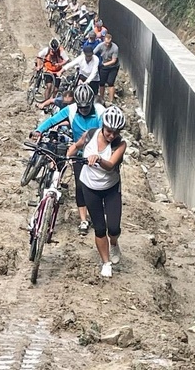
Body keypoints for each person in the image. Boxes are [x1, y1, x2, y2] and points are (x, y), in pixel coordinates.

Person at [32, 84, 105, 235]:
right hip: (78, 153)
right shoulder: (71, 110)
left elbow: (107, 133)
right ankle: (83, 219)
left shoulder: (100, 112)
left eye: (86, 107)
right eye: (81, 107)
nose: (83, 110)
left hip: (97, 154)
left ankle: (98, 211)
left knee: (96, 187)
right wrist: (39, 130)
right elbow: (52, 121)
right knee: (80, 186)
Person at [66, 106, 127, 278]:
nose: (111, 135)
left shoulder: (120, 144)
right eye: (109, 131)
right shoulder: (91, 134)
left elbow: (111, 165)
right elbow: (76, 147)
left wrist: (99, 159)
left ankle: (114, 243)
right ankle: (106, 262)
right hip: (89, 187)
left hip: (111, 189)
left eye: (115, 132)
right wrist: (67, 156)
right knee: (100, 228)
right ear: (103, 126)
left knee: (113, 227)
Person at [94, 34, 120, 103]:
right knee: (102, 83)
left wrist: (103, 64)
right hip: (104, 66)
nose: (107, 44)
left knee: (110, 83)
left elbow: (113, 61)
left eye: (109, 43)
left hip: (113, 67)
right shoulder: (100, 45)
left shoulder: (115, 48)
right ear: (104, 40)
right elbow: (93, 52)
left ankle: (111, 101)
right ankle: (101, 99)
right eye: (106, 43)